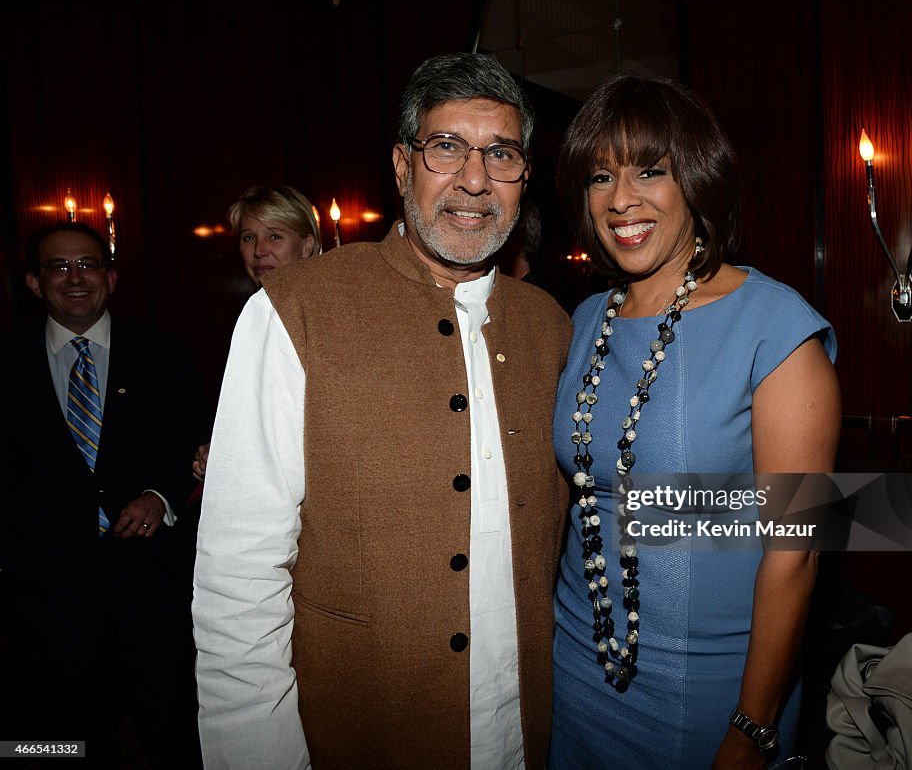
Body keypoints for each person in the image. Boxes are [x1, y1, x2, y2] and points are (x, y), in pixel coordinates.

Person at [193, 52, 571, 769]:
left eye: (501, 153)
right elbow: (238, 575)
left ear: (524, 178)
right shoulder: (294, 310)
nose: (473, 179)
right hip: (362, 737)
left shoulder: (551, 326)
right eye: (446, 148)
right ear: (402, 168)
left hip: (526, 734)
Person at [547, 75, 841, 769]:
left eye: (651, 170)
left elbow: (794, 550)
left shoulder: (775, 328)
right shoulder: (588, 319)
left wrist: (752, 726)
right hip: (576, 670)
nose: (622, 200)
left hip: (711, 691)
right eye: (600, 177)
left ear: (698, 182)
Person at [0, 222, 208, 768]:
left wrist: (159, 497)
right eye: (58, 267)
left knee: (174, 731)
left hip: (153, 583)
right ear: (32, 281)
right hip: (46, 594)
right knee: (61, 739)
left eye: (88, 265)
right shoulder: (5, 363)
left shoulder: (163, 352)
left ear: (111, 278)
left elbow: (198, 442)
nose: (75, 278)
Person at [191, 184, 321, 481]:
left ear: (306, 245)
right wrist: (223, 452)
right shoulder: (247, 319)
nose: (259, 251)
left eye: (275, 236)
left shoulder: (332, 316)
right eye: (249, 238)